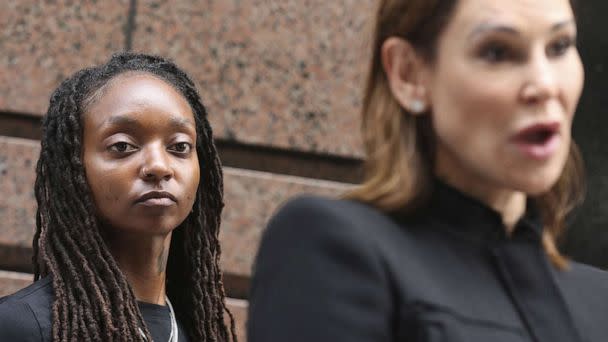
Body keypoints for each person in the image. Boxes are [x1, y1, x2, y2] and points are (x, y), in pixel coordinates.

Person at [247, 0, 608, 341]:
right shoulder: (333, 248)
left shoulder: (598, 301)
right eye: (497, 52)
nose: (545, 85)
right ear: (408, 73)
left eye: (559, 47)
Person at [0, 53, 237, 341]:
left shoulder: (202, 331)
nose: (159, 166)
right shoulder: (22, 326)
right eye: (123, 146)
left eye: (179, 146)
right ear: (73, 166)